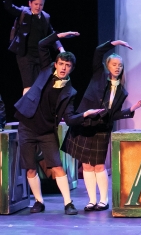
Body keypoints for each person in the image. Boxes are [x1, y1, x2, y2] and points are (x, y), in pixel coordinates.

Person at [14, 31, 96, 215]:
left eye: (67, 65)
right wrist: (59, 36)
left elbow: (70, 118)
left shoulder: (70, 91)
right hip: (27, 124)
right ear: (56, 64)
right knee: (30, 167)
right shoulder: (46, 71)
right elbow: (42, 45)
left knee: (57, 166)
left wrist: (86, 114)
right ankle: (38, 201)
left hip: (46, 131)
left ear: (71, 69)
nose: (63, 68)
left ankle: (68, 203)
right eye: (61, 64)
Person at [61, 40, 141, 212]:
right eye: (114, 64)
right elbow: (98, 51)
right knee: (87, 165)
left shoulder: (122, 91)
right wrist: (115, 42)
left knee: (99, 165)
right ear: (107, 66)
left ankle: (103, 200)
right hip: (85, 125)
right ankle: (91, 200)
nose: (117, 67)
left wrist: (131, 110)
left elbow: (114, 114)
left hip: (101, 129)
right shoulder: (99, 76)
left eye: (120, 65)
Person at [4, 0, 64, 95]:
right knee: (28, 87)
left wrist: (61, 49)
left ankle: (39, 112)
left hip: (40, 56)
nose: (38, 7)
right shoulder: (24, 12)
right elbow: (8, 5)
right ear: (30, 3)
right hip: (25, 55)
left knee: (41, 85)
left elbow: (51, 35)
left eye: (41, 4)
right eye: (36, 4)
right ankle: (26, 112)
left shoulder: (45, 17)